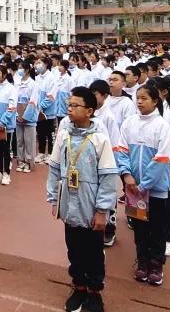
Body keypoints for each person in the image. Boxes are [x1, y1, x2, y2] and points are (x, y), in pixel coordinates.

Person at [48, 86, 118, 312]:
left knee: (94, 251)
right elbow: (55, 167)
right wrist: (54, 199)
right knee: (74, 248)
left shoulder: (100, 139)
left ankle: (94, 291)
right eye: (69, 105)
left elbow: (108, 177)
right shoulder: (64, 134)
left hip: (90, 205)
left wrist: (102, 210)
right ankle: (78, 286)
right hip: (69, 202)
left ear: (89, 111)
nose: (70, 109)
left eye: (75, 105)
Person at [117, 81, 170, 288]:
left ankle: (156, 264)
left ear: (155, 101)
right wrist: (126, 175)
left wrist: (145, 184)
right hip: (133, 189)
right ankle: (142, 261)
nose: (139, 102)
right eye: (138, 98)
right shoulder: (129, 123)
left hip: (156, 190)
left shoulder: (162, 126)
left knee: (157, 228)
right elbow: (121, 150)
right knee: (139, 227)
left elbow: (162, 159)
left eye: (144, 99)